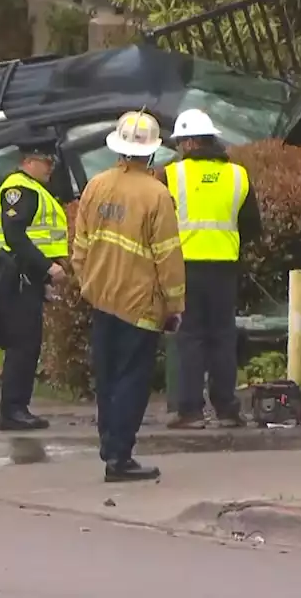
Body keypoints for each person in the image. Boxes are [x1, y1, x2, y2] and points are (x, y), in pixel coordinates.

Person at [71, 111, 186, 482]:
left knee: (107, 378)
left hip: (102, 298)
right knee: (131, 379)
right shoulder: (156, 194)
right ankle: (119, 457)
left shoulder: (96, 186)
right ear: (151, 153)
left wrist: (88, 283)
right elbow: (168, 256)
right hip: (140, 304)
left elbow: (81, 247)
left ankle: (110, 444)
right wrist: (175, 305)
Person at [161, 109, 263, 430]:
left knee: (189, 338)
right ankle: (227, 410)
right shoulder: (238, 175)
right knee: (222, 338)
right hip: (224, 268)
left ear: (190, 142)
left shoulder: (171, 175)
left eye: (180, 142)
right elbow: (252, 227)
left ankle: (190, 412)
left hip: (184, 267)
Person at [0, 136, 69, 431]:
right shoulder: (19, 189)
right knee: (23, 344)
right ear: (28, 162)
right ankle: (12, 410)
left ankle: (17, 407)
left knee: (28, 343)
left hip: (28, 275)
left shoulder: (34, 188)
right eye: (46, 162)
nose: (51, 168)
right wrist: (48, 267)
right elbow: (15, 236)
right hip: (18, 274)